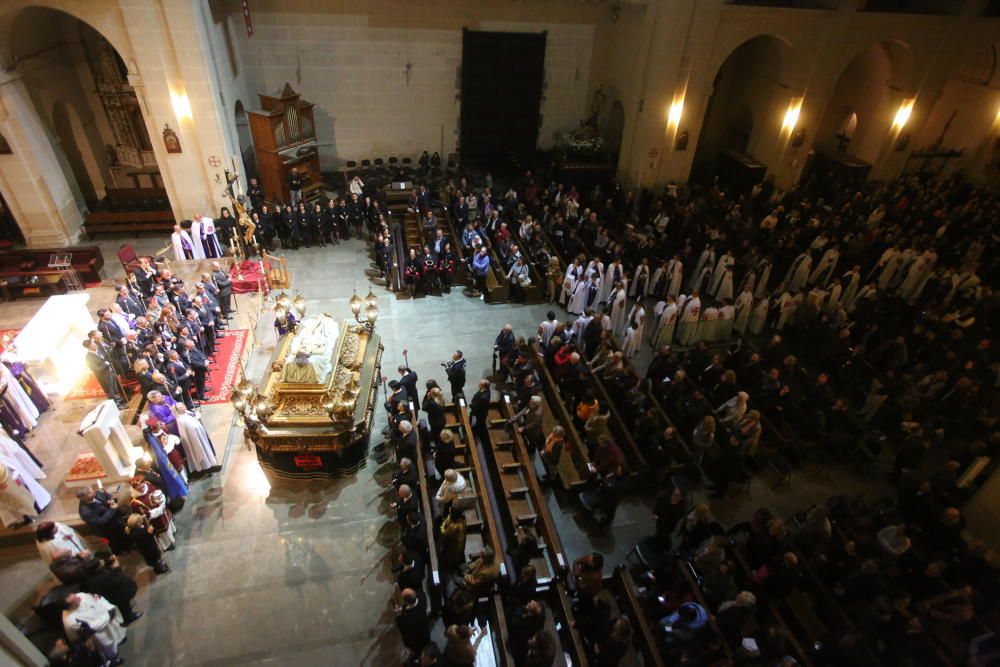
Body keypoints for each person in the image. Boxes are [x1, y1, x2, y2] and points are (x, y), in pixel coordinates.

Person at [60, 593, 126, 666]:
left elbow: (97, 598)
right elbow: (92, 627)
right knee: (108, 648)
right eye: (74, 599)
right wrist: (108, 616)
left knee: (116, 634)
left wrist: (108, 607)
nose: (78, 597)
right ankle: (112, 659)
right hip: (97, 635)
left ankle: (119, 640)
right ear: (70, 607)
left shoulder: (81, 595)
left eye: (74, 595)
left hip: (106, 620)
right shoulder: (71, 621)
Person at [76, 487, 129, 554]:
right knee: (115, 541)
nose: (94, 492)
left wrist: (110, 500)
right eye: (90, 493)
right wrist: (112, 509)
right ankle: (120, 551)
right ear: (84, 498)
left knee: (122, 534)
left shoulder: (96, 493)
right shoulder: (85, 512)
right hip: (107, 528)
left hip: (116, 520)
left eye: (92, 490)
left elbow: (106, 496)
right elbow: (100, 521)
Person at [174, 403, 219, 474]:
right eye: (180, 407)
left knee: (206, 448)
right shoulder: (181, 419)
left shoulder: (186, 412)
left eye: (183, 405)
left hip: (200, 435)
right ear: (177, 410)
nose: (183, 407)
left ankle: (210, 462)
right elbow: (190, 428)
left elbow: (193, 417)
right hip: (195, 439)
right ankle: (206, 467)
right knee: (201, 451)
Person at [83, 340, 126, 409]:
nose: (95, 345)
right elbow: (97, 370)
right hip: (104, 377)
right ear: (89, 347)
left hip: (110, 372)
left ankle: (119, 401)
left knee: (115, 389)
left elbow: (106, 357)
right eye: (93, 344)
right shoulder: (89, 357)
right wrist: (106, 363)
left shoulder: (98, 350)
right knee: (110, 392)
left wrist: (110, 350)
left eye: (94, 343)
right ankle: (116, 406)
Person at [395, 587, 430, 658]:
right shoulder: (421, 596)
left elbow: (404, 632)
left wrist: (398, 614)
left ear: (406, 601)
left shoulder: (406, 619)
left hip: (417, 643)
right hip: (425, 634)